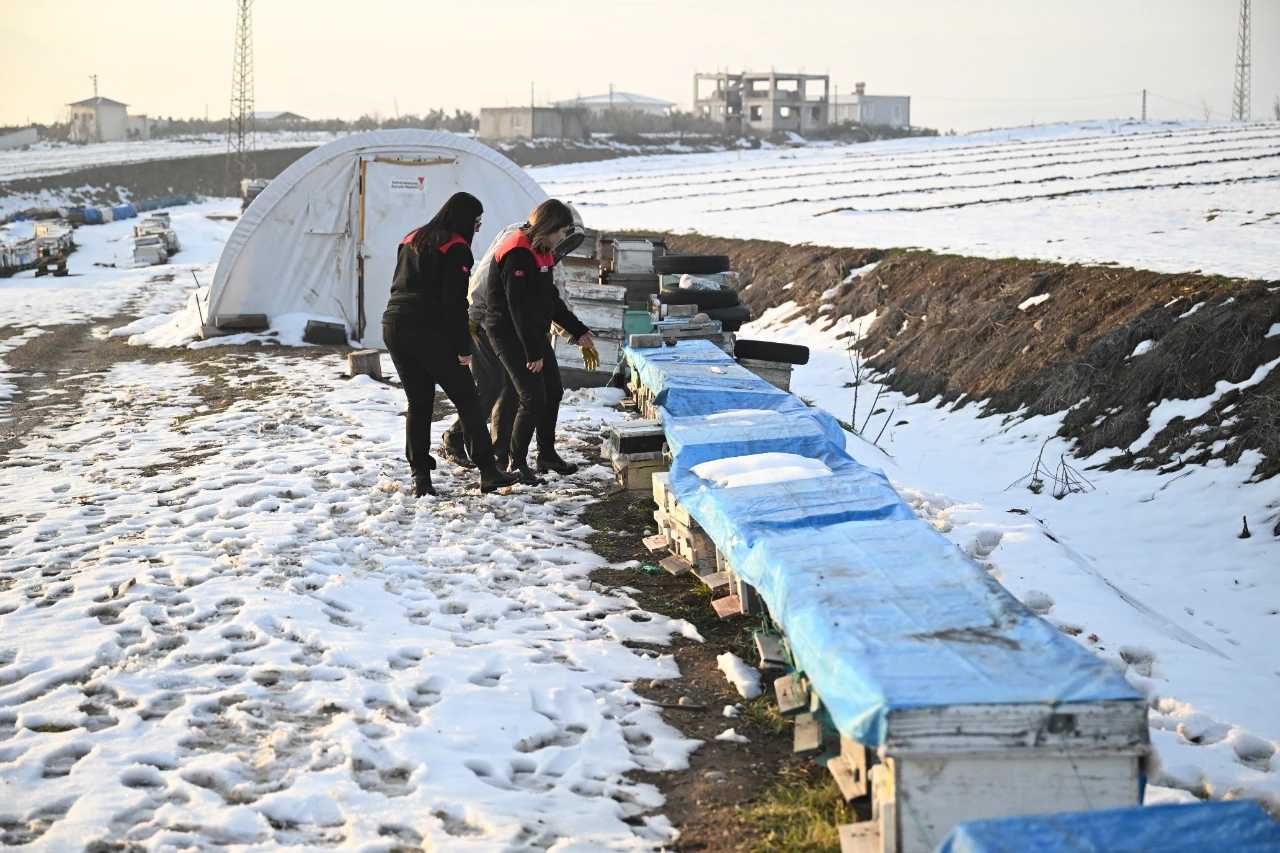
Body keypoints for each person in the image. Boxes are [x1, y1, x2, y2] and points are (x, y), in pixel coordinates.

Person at [381, 192, 520, 497]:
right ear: (464, 219)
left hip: (394, 324)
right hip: (427, 328)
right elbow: (453, 302)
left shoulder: (412, 238)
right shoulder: (455, 247)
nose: (478, 228)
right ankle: (487, 471)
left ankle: (421, 478)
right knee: (468, 399)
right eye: (477, 221)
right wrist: (463, 347)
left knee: (419, 404)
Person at [485, 199, 595, 485]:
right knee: (532, 396)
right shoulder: (518, 252)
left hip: (532, 332)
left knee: (553, 391)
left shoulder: (542, 250)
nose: (563, 237)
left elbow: (549, 299)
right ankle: (515, 461)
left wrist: (577, 329)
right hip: (509, 333)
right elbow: (517, 307)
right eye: (561, 231)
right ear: (546, 227)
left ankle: (546, 454)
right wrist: (533, 351)